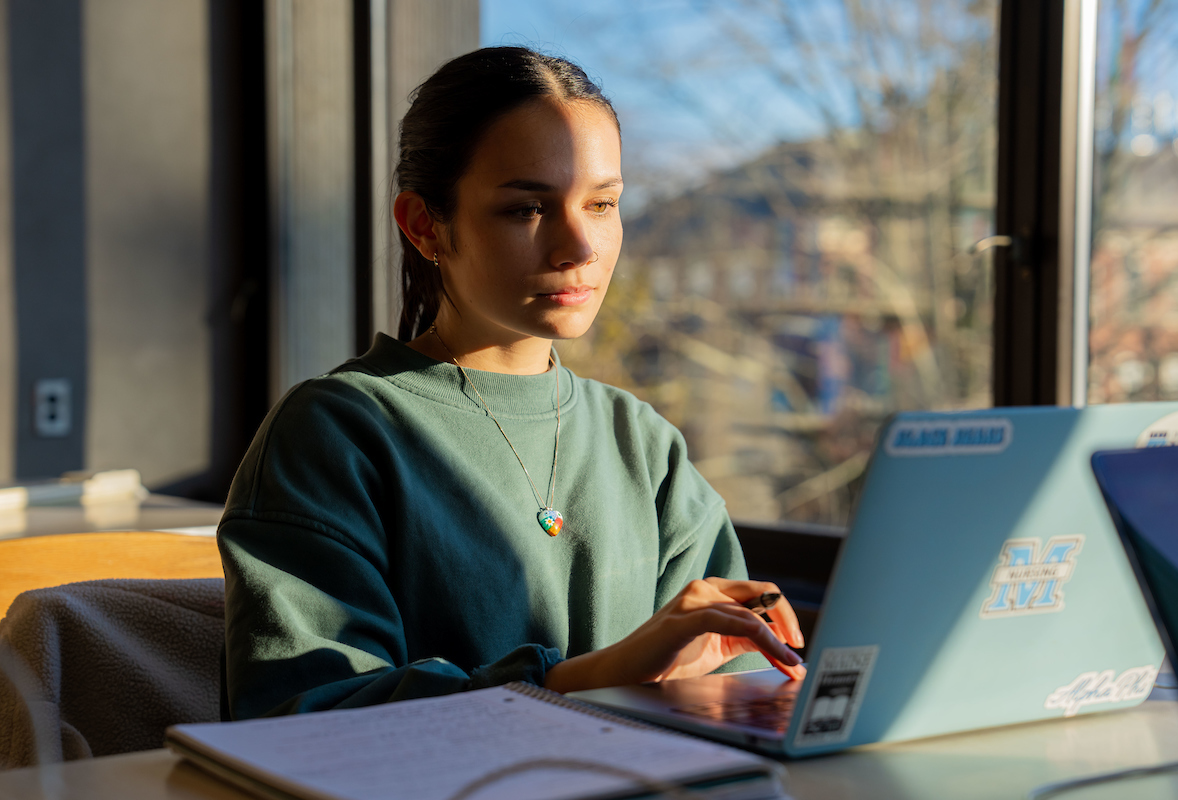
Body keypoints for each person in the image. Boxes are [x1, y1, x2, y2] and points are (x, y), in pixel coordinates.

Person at [217, 46, 804, 721]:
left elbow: (740, 671)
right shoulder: (337, 434)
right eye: (528, 209)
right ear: (423, 225)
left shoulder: (641, 443)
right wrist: (590, 677)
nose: (579, 247)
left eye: (603, 204)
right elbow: (305, 717)